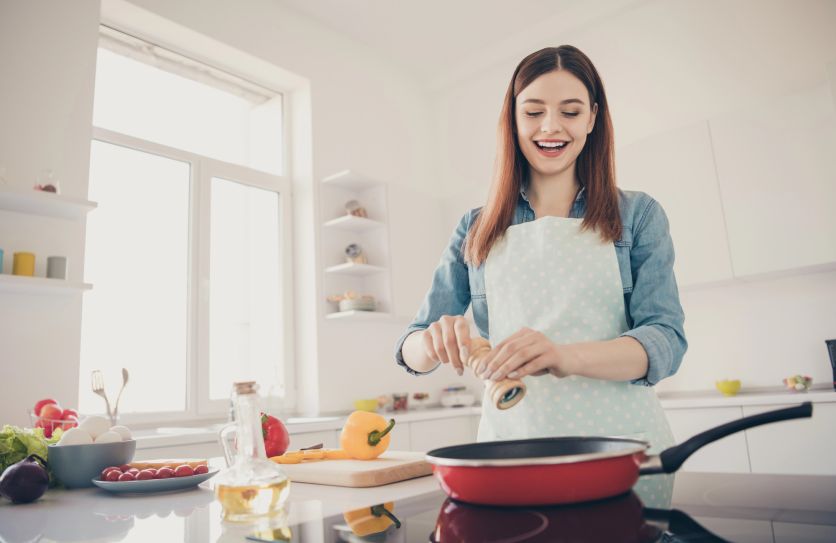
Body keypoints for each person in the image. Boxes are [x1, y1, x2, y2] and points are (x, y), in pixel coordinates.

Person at [393, 45, 687, 471]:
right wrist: (431, 342)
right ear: (512, 120)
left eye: (570, 111)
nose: (551, 127)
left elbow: (666, 340)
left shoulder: (638, 215)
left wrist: (565, 356)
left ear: (592, 118)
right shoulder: (475, 226)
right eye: (533, 112)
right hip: (514, 448)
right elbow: (410, 348)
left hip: (623, 448)